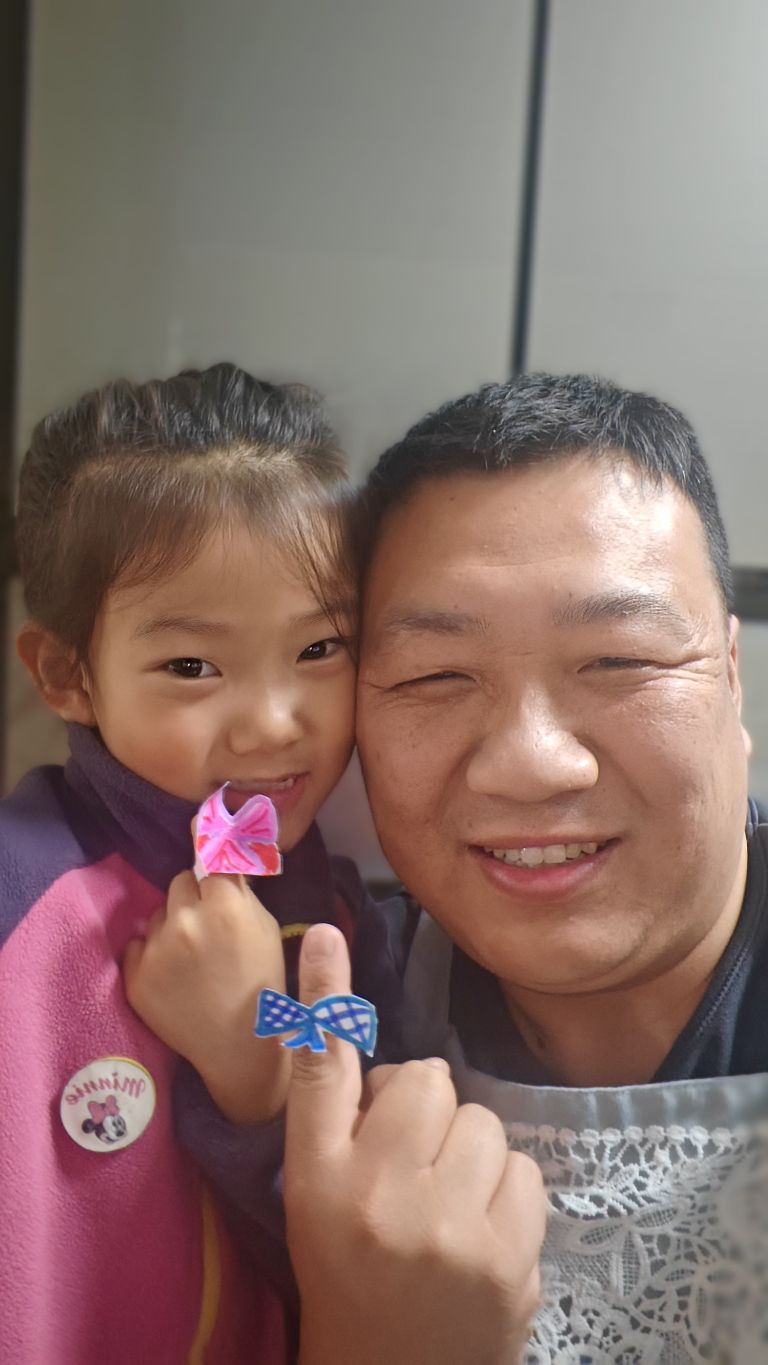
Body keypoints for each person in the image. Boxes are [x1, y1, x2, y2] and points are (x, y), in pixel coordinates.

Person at [158, 373, 767, 1361]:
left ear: (732, 676)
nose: (528, 763)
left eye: (617, 661)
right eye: (436, 675)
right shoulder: (333, 990)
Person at [0, 362, 404, 1364]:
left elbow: (362, 1272)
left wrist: (257, 1069)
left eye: (322, 648)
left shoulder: (340, 921)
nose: (273, 723)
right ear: (67, 674)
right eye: (191, 666)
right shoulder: (19, 903)